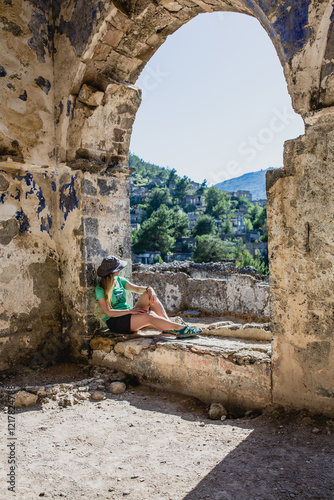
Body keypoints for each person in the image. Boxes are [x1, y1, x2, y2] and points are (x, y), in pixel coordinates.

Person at [95, 255, 201, 338]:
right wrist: (130, 311)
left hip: (128, 315)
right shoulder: (100, 289)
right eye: (118, 268)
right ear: (112, 272)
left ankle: (168, 326)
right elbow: (108, 312)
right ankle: (179, 328)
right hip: (116, 322)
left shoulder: (119, 280)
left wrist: (150, 290)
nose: (120, 270)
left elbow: (137, 289)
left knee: (147, 295)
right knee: (149, 315)